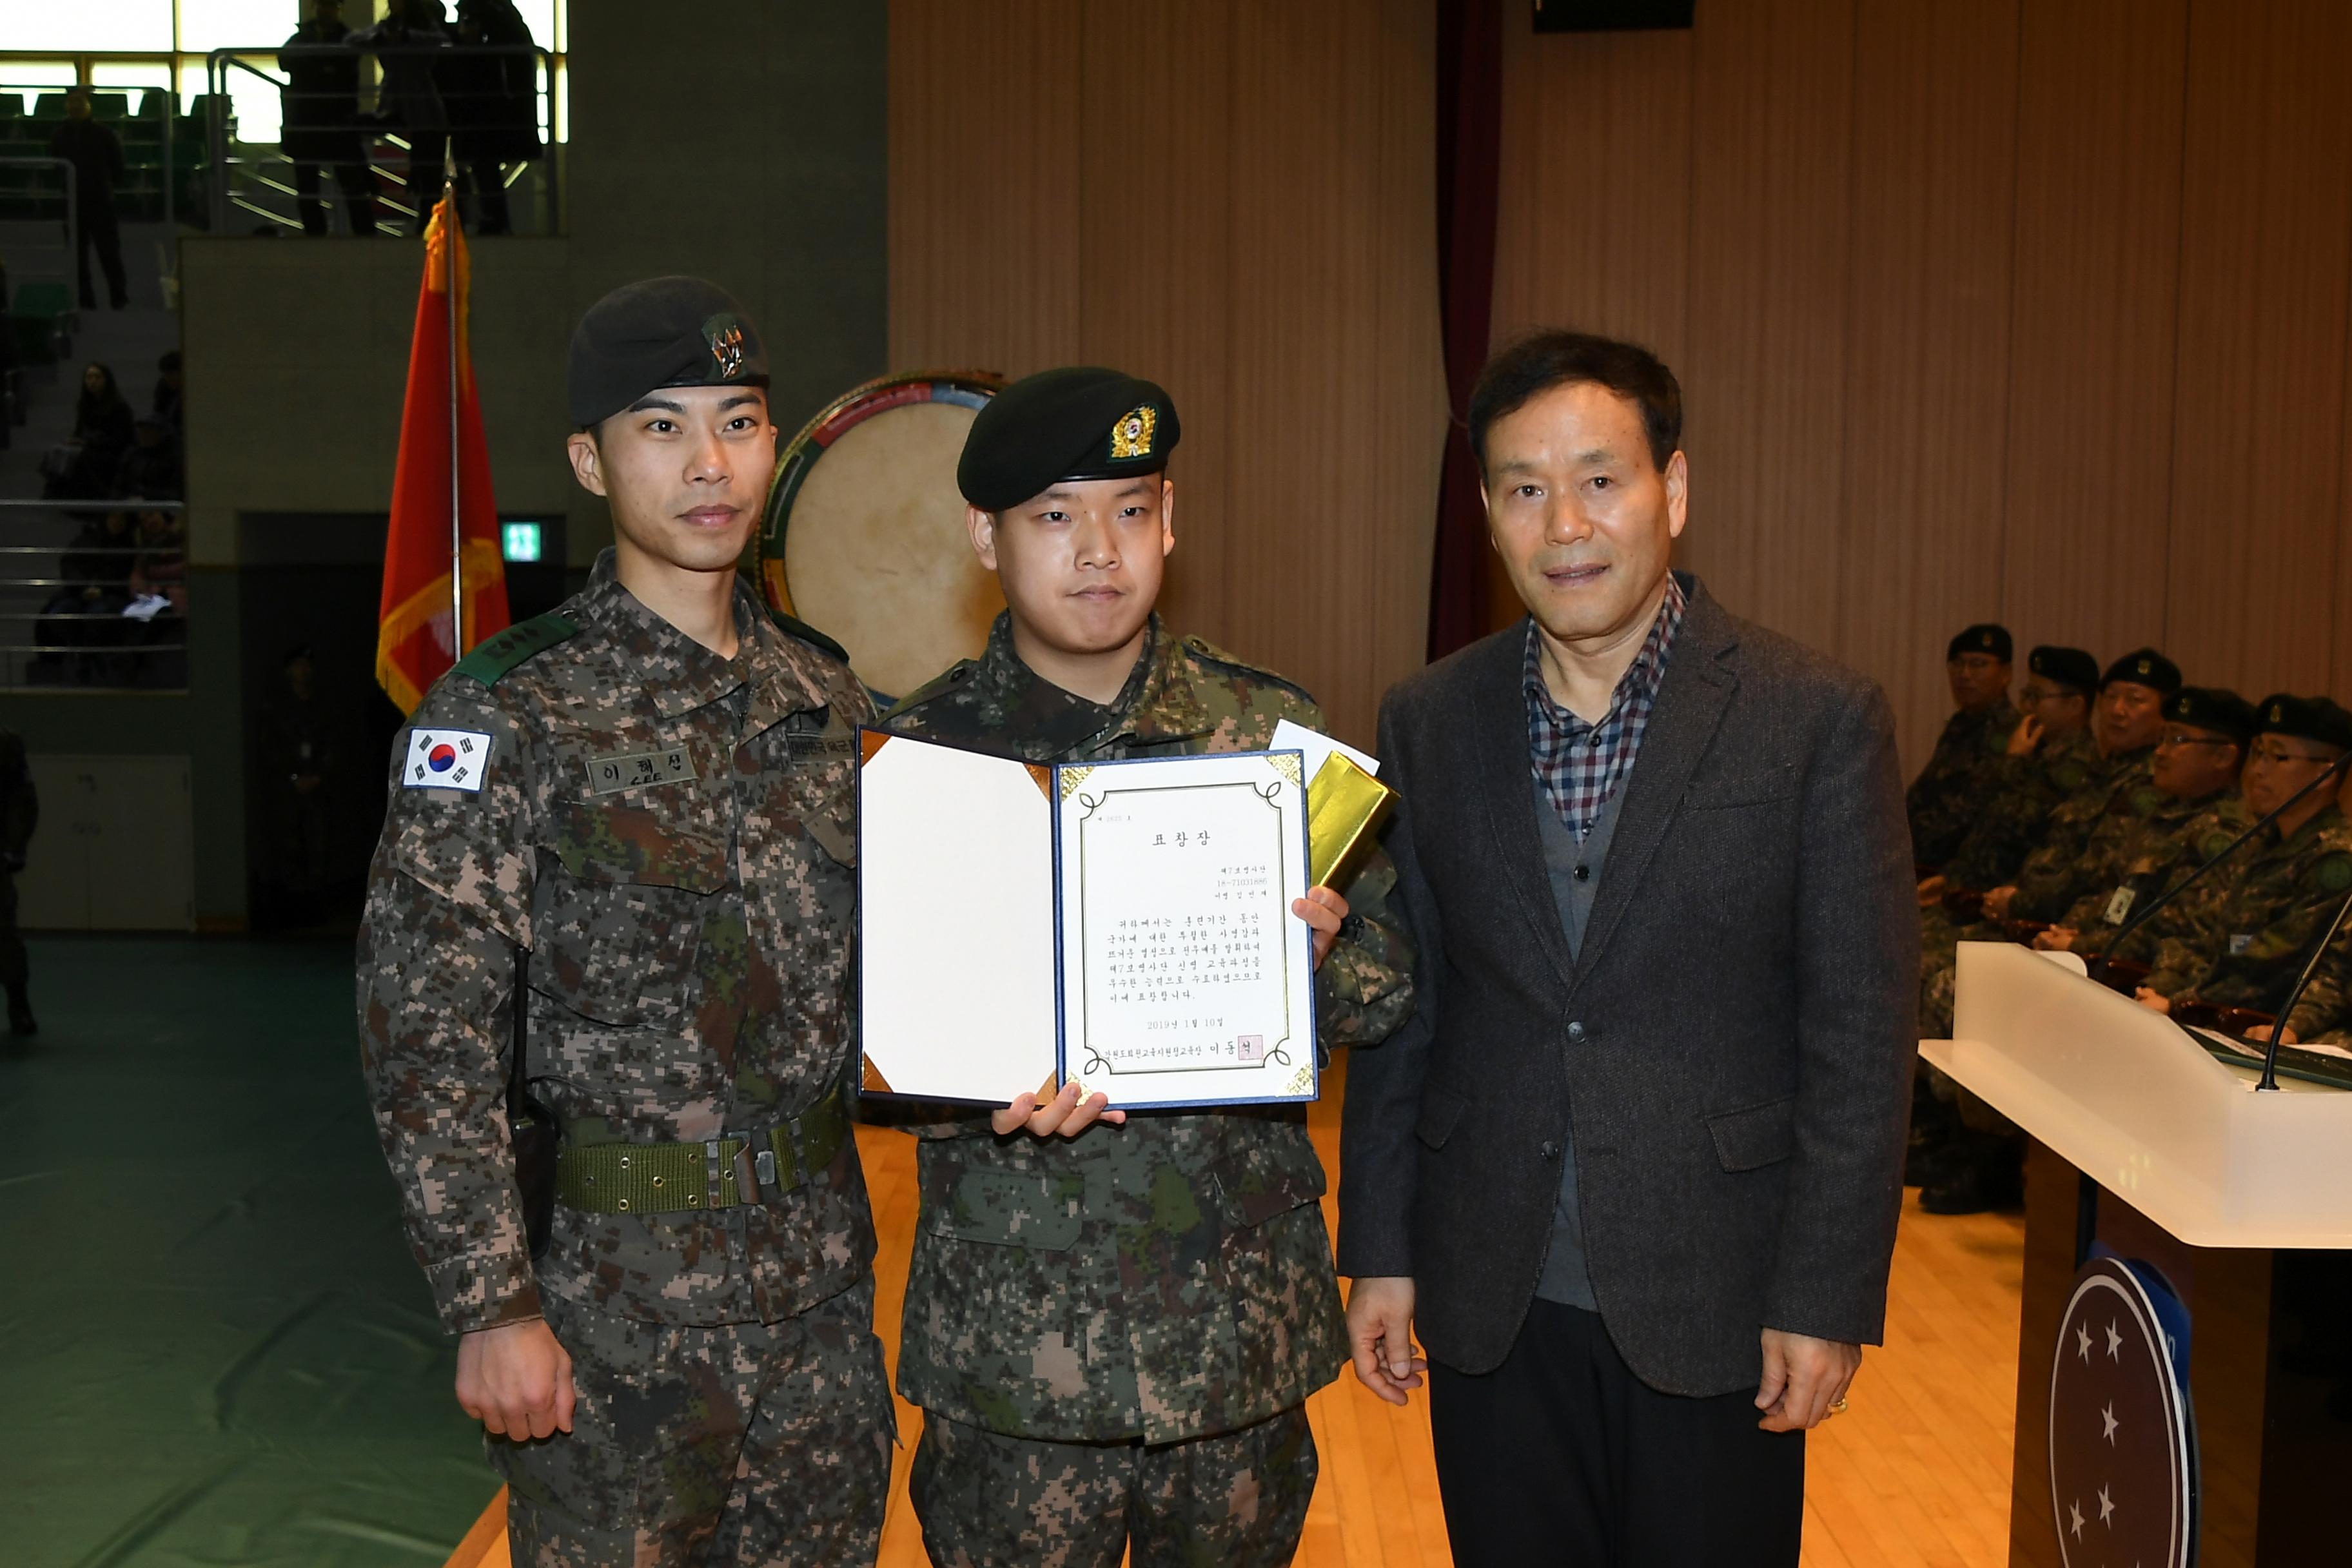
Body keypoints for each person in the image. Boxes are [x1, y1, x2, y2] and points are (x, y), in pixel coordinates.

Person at [1337, 331, 1915, 1567]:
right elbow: (1410, 1010)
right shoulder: (1427, 716)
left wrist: (1823, 1295)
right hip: (1489, 1284)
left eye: (1599, 479)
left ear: (1675, 491)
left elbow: (1860, 1039)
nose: (1565, 525)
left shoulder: (1812, 718)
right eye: (1522, 487)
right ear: (1488, 517)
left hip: (1719, 1294)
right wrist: (1379, 1248)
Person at [355, 277, 893, 1564]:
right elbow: (427, 1032)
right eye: (662, 427)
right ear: (592, 460)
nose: (710, 464)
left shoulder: (826, 693)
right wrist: (491, 1304)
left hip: (820, 1309)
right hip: (612, 1317)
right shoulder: (502, 714)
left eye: (740, 421)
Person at [879, 367, 1413, 1567]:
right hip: (1017, 1357)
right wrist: (963, 1093)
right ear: (986, 536)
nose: (1097, 551)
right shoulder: (918, 758)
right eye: (1053, 516)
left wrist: (1315, 957)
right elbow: (860, 1033)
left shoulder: (1266, 740)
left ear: (1170, 519)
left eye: (1128, 509)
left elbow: (1388, 989)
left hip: (1233, 1342)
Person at [2128, 695, 2352, 1028]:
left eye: (2278, 757)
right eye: (2258, 753)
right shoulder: (2257, 842)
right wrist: (2164, 984)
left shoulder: (2334, 860)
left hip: (2254, 1025)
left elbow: (2268, 959)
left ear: (2327, 773)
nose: (2259, 770)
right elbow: (2214, 938)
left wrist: (2177, 1002)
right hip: (2204, 1009)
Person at [2030, 685, 2254, 957]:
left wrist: (2081, 946)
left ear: (2223, 757)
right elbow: (2109, 892)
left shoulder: (2224, 834)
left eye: (2178, 740)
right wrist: (2073, 932)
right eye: (2162, 738)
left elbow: (2171, 936)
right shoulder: (2164, 814)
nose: (2160, 752)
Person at [1919, 644, 2101, 902]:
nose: (2027, 707)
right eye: (2027, 695)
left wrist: (2014, 762)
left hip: (2005, 901)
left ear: (2074, 705)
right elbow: (1980, 822)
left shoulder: (2077, 768)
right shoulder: (2035, 750)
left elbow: (2012, 833)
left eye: (2037, 697)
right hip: (1970, 889)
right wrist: (1950, 878)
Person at [1906, 623, 2017, 872]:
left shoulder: (2011, 733)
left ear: (2006, 674)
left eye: (1978, 664)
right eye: (1957, 664)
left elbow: (1976, 811)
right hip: (1920, 862)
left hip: (1962, 872)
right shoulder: (1961, 726)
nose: (1965, 674)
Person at [279, 0, 379, 237]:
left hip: (330, 121)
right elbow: (285, 61)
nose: (327, 10)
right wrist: (324, 67)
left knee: (349, 184)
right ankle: (321, 234)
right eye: (324, 6)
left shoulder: (327, 38)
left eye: (331, 6)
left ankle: (362, 234)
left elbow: (342, 70)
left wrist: (313, 66)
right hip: (317, 121)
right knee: (312, 187)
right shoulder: (313, 37)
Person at [352, 0, 451, 231]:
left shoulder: (426, 25)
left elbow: (437, 43)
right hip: (401, 102)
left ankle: (427, 224)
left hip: (420, 102)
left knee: (428, 171)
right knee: (427, 168)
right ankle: (369, 191)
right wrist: (382, 36)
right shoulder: (389, 26)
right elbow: (354, 41)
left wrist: (406, 37)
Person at [448, 0, 543, 236]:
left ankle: (490, 220)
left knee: (482, 167)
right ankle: (491, 219)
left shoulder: (496, 19)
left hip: (485, 109)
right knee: (481, 169)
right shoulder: (504, 19)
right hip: (487, 108)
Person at [47, 88, 127, 311]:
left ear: (88, 105)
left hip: (100, 200)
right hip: (72, 202)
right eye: (71, 102)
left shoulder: (104, 134)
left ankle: (118, 296)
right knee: (77, 255)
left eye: (79, 101)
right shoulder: (59, 135)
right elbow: (55, 166)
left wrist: (108, 188)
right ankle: (85, 300)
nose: (74, 106)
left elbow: (118, 166)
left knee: (109, 252)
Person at [42, 363, 137, 502]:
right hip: (90, 444)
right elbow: (79, 431)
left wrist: (84, 441)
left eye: (97, 377)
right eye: (89, 377)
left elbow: (120, 439)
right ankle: (55, 492)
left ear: (106, 380)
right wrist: (74, 440)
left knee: (83, 456)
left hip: (111, 450)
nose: (93, 381)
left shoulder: (119, 407)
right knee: (59, 451)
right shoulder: (85, 405)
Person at [0, 726, 34, 1037]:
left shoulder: (5, 745)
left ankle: (18, 1003)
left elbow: (20, 800)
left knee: (3, 934)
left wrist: (14, 847)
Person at [152, 349, 184, 432]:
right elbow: (158, 415)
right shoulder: (165, 390)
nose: (167, 378)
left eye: (170, 374)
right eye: (165, 374)